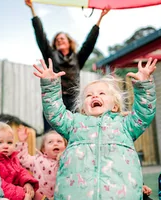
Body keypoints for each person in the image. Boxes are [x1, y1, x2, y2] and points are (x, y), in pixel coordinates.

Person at [32, 57, 157, 199]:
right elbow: (55, 113)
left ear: (115, 106)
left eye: (102, 93)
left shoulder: (125, 125)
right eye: (89, 95)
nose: (95, 96)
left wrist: (144, 84)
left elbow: (144, 112)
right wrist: (50, 85)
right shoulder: (74, 124)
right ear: (83, 109)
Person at [25, 0, 110, 133]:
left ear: (69, 42)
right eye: (57, 39)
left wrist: (100, 17)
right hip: (55, 99)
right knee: (52, 135)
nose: (59, 40)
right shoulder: (51, 55)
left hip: (74, 100)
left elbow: (89, 42)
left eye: (62, 38)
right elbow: (40, 35)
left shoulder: (77, 58)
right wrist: (32, 9)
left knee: (75, 132)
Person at [0, 122, 39, 200]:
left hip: (15, 192)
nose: (6, 146)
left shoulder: (12, 158)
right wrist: (22, 193)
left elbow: (21, 172)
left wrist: (27, 183)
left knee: (36, 193)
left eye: (9, 142)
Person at [16, 127, 67, 200]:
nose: (55, 144)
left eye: (59, 141)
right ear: (44, 149)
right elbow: (22, 159)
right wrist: (22, 141)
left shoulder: (66, 161)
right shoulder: (37, 160)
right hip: (39, 197)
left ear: (65, 147)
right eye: (50, 142)